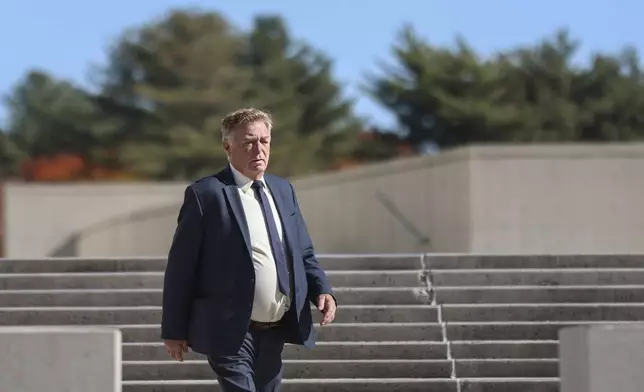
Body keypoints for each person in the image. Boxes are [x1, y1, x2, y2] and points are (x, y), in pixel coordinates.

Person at [161, 108, 337, 392]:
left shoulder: (283, 190)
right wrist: (173, 330)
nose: (259, 149)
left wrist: (322, 289)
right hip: (228, 329)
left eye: (264, 141)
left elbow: (303, 252)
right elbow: (181, 268)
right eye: (248, 143)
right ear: (227, 147)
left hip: (275, 328)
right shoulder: (206, 194)